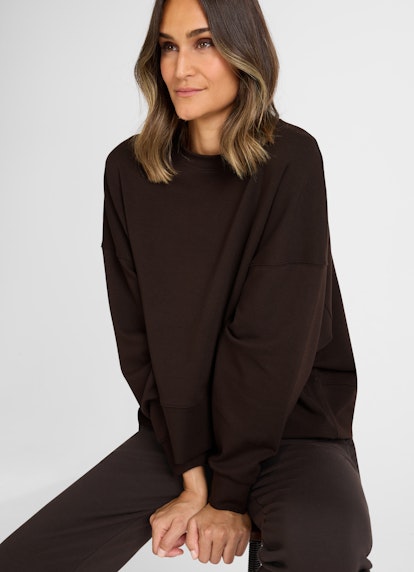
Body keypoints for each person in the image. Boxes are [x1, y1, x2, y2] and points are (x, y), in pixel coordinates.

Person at [0, 0, 373, 570]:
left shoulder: (290, 159)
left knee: (324, 547)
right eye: (168, 47)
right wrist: (195, 479)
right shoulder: (127, 171)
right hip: (180, 436)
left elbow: (273, 342)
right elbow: (139, 341)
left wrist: (228, 495)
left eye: (203, 43)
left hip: (294, 429)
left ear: (245, 51)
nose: (180, 68)